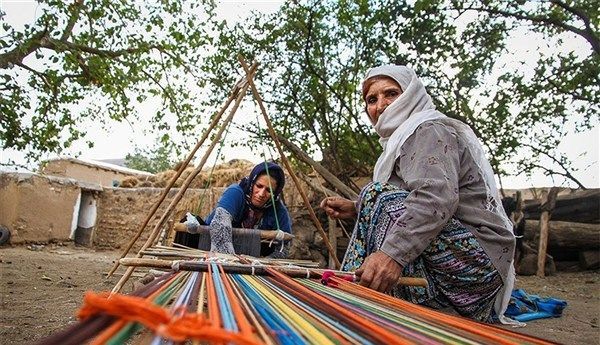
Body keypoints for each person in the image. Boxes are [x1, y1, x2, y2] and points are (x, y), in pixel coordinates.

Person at [320, 65, 516, 323]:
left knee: (375, 193)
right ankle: (358, 300)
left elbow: (436, 197)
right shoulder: (403, 139)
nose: (381, 105)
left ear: (411, 94)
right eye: (372, 99)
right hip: (465, 268)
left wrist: (392, 255)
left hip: (476, 268)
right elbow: (414, 196)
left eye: (391, 93)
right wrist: (357, 208)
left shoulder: (427, 130)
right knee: (372, 196)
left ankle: (350, 303)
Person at [181, 161, 292, 258]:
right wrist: (228, 261)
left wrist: (265, 263)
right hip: (211, 245)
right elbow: (221, 224)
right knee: (187, 223)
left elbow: (285, 245)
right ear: (252, 183)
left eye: (269, 190)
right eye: (259, 186)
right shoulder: (236, 192)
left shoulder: (278, 210)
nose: (261, 194)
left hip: (250, 259)